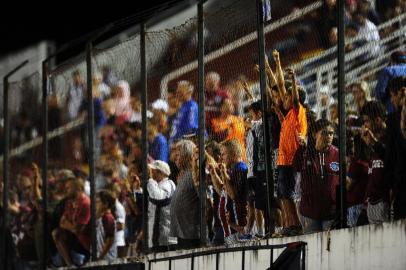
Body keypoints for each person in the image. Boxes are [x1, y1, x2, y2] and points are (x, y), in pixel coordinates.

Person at [273, 50, 307, 235]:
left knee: (290, 194)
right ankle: (289, 225)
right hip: (283, 160)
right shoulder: (287, 116)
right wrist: (279, 115)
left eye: (286, 97)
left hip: (291, 160)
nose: (284, 99)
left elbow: (293, 97)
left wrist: (293, 80)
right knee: (283, 194)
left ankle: (295, 225)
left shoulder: (297, 109)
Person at [294, 119, 339, 233]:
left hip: (331, 212)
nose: (328, 136)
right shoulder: (304, 152)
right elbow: (295, 167)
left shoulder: (337, 153)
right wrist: (310, 150)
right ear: (314, 134)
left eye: (331, 133)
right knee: (311, 248)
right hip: (309, 213)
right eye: (324, 133)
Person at [52, 177, 90, 267]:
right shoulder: (69, 203)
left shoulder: (85, 203)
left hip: (85, 241)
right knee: (56, 233)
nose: (66, 190)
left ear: (78, 189)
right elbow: (62, 222)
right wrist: (72, 227)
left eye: (69, 188)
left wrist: (69, 226)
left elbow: (78, 230)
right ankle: (70, 265)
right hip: (74, 237)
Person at [170, 140, 200, 249]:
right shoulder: (183, 174)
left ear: (187, 156)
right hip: (181, 233)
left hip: (191, 234)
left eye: (178, 155)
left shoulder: (194, 173)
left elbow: (204, 200)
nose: (175, 158)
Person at [147, 160, 176, 251]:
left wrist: (150, 181)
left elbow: (158, 198)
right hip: (159, 237)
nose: (151, 172)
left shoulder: (167, 184)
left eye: (153, 170)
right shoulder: (158, 185)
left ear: (161, 172)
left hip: (164, 238)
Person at [95, 190, 117, 261]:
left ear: (106, 204)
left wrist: (100, 258)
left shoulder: (108, 218)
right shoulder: (100, 218)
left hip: (107, 260)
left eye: (98, 202)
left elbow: (109, 241)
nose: (95, 205)